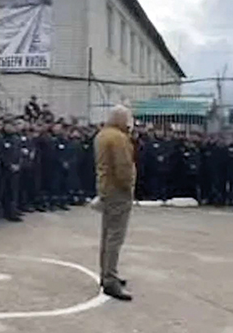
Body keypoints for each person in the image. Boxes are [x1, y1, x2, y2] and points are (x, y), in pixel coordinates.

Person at [94, 105, 136, 301]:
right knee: (115, 236)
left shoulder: (103, 134)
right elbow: (123, 167)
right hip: (118, 191)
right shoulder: (119, 138)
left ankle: (106, 273)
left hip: (105, 188)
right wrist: (129, 187)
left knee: (107, 234)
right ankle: (110, 279)